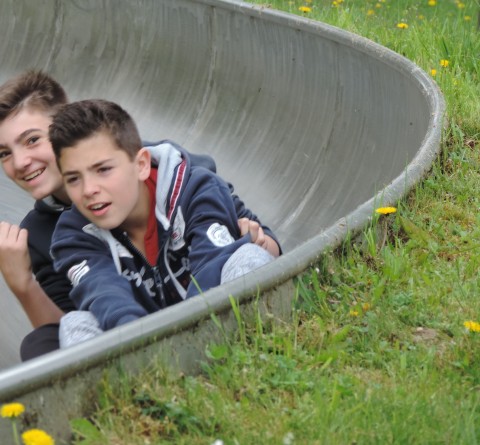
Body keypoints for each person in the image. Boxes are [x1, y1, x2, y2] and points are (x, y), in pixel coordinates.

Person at [0, 71, 280, 360]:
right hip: (138, 340)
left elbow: (231, 251)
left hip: (208, 314)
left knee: (246, 257)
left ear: (141, 164)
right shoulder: (66, 235)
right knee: (70, 326)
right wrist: (24, 286)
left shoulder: (183, 179)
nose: (20, 162)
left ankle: (244, 360)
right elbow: (98, 303)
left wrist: (257, 241)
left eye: (32, 140)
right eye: (4, 153)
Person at [49, 99, 279, 332]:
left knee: (247, 257)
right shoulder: (74, 236)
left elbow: (213, 270)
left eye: (103, 170)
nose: (88, 190)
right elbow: (108, 300)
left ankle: (253, 348)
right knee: (74, 323)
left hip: (218, 329)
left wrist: (194, 339)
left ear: (141, 165)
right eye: (74, 179)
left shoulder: (195, 190)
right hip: (144, 346)